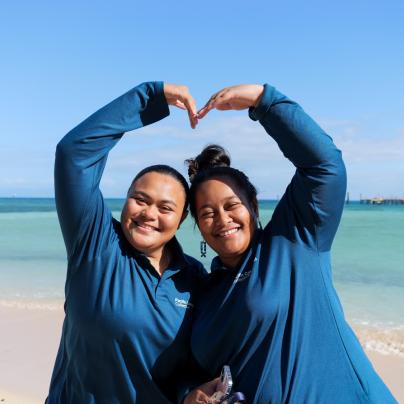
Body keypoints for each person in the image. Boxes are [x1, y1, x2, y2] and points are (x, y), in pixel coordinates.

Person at [183, 84, 396, 403]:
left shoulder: (296, 241)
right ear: (199, 226)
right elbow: (187, 368)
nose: (222, 219)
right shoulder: (204, 290)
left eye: (231, 206)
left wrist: (264, 101)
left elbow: (325, 166)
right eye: (207, 213)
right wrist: (189, 394)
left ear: (253, 205)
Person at [46, 81, 206, 403]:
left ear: (183, 216)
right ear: (126, 200)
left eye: (165, 208)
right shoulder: (95, 243)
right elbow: (73, 154)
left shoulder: (195, 279)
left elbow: (190, 366)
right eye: (139, 199)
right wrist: (151, 96)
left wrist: (191, 394)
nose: (148, 213)